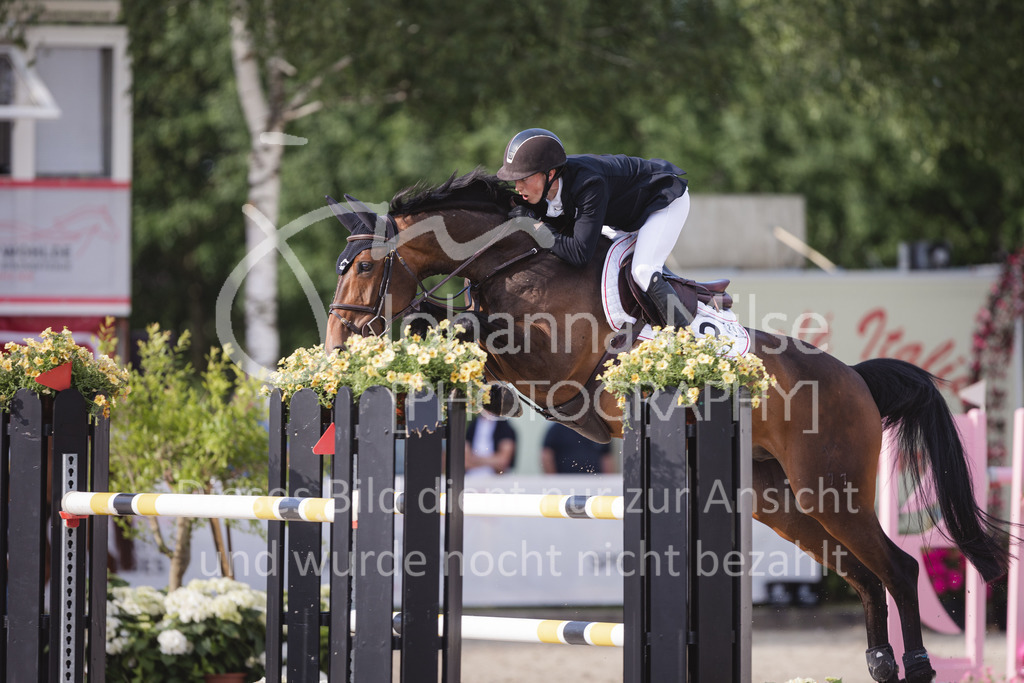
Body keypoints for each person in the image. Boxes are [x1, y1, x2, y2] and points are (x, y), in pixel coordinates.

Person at [496, 128, 690, 327]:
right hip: (624, 216)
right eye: (515, 180)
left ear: (550, 174)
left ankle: (686, 335)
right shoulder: (552, 185)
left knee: (643, 271)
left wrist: (536, 227)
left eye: (524, 178)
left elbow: (579, 254)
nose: (518, 187)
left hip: (662, 200)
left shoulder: (588, 184)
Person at [541, 422, 615, 474]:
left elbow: (606, 457)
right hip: (565, 481)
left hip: (594, 482)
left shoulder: (598, 429)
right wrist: (553, 481)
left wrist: (607, 482)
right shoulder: (557, 428)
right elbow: (547, 454)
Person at [464, 410, 517, 476]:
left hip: (496, 478)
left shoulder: (505, 428)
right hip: (471, 477)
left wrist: (474, 459)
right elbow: (465, 462)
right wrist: (493, 461)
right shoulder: (472, 426)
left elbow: (503, 462)